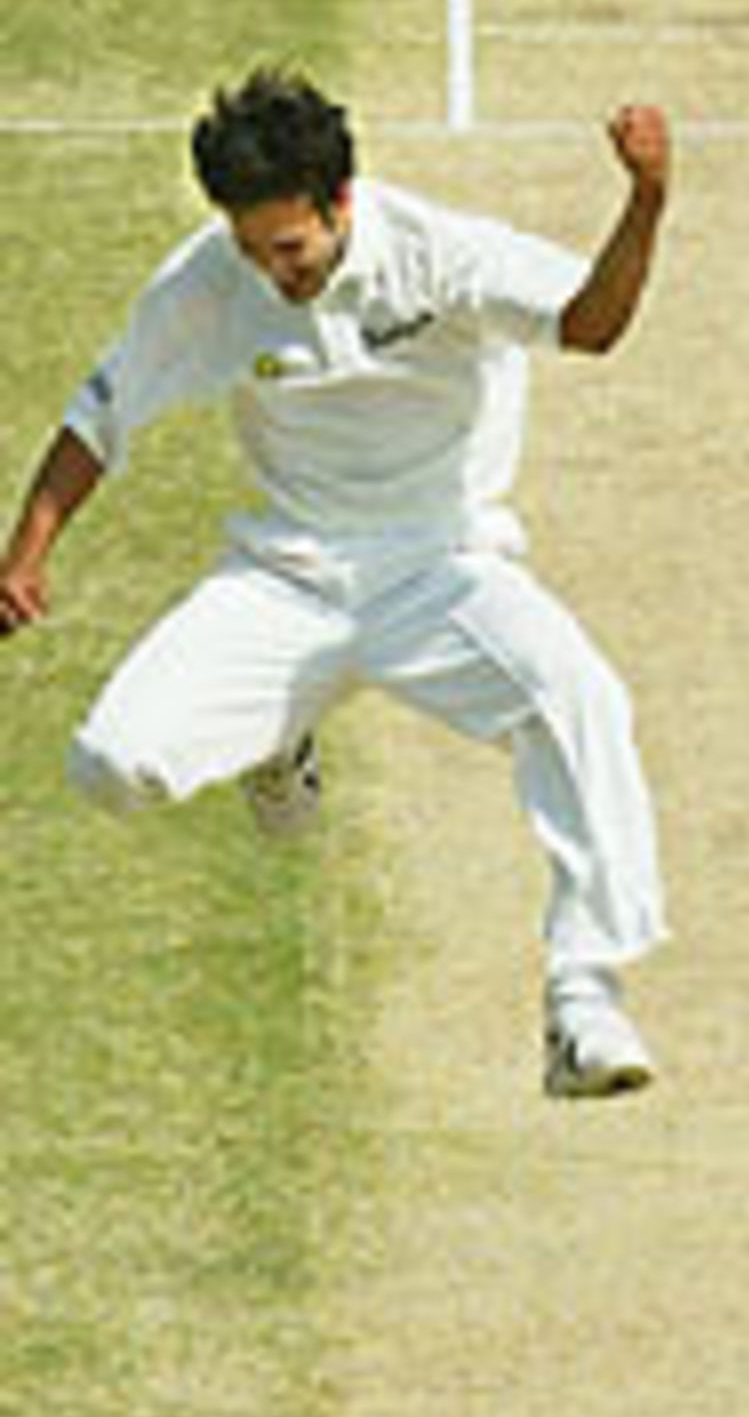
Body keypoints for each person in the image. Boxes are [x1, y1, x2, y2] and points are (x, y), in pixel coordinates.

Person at [0, 67, 670, 1099]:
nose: (273, 272)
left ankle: (582, 995)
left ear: (340, 201)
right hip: (286, 577)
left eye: (290, 247)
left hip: (443, 568)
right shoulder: (211, 281)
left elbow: (589, 323)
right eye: (250, 247)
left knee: (581, 697)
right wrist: (28, 550)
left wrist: (645, 199)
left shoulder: (440, 254)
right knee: (110, 763)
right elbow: (103, 412)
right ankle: (279, 730)